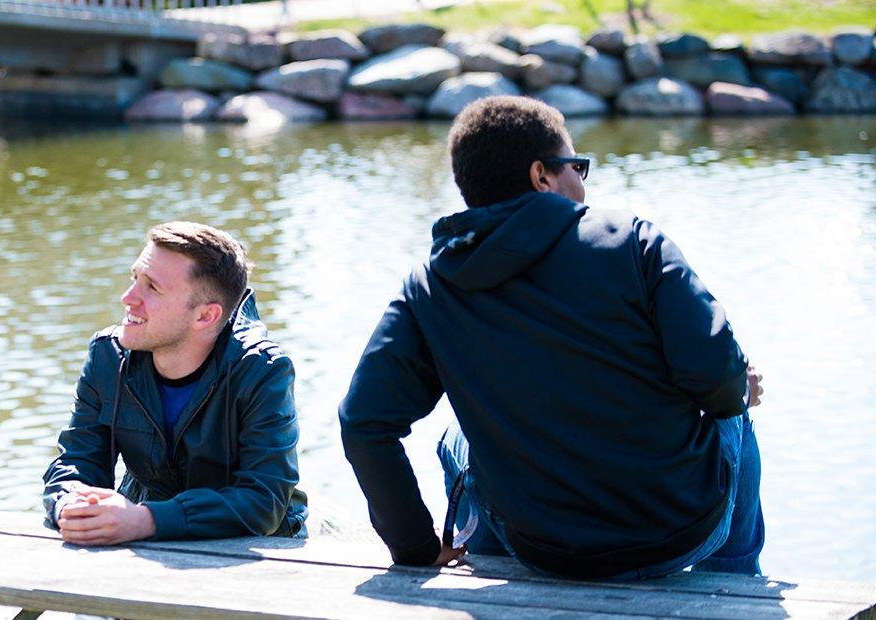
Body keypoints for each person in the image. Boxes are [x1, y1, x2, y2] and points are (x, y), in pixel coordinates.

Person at [339, 96, 764, 580]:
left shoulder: (431, 285)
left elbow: (364, 423)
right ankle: (739, 585)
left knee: (458, 438)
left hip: (540, 549)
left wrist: (413, 545)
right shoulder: (633, 241)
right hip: (679, 532)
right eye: (576, 165)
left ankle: (494, 570)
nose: (582, 180)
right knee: (738, 405)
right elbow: (719, 377)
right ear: (542, 175)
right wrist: (734, 391)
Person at [42, 222, 307, 545]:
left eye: (152, 287)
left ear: (205, 316)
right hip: (141, 528)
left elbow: (264, 501)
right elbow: (78, 460)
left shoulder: (262, 370)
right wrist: (70, 505)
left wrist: (148, 519)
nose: (128, 297)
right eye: (134, 278)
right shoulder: (108, 356)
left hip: (255, 546)